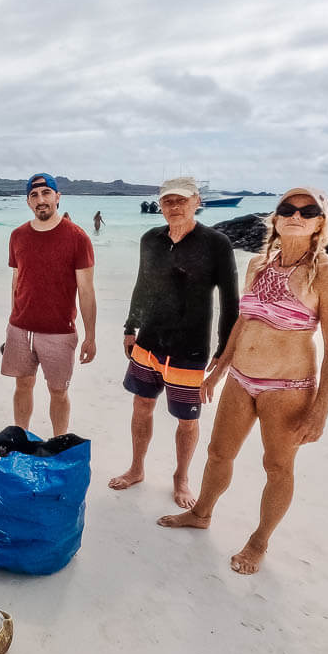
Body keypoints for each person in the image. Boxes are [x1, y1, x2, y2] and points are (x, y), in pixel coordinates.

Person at [158, 188, 328, 574]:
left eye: (307, 211)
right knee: (218, 453)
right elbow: (244, 322)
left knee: (277, 466)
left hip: (288, 388)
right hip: (241, 380)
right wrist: (219, 369)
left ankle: (259, 540)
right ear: (276, 218)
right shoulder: (259, 264)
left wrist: (320, 410)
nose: (295, 216)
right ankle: (202, 512)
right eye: (287, 209)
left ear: (320, 223)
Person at [109, 177, 238, 507]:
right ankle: (137, 468)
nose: (175, 207)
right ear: (160, 204)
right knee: (142, 406)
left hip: (190, 347)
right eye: (168, 201)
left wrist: (223, 351)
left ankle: (181, 478)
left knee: (187, 419)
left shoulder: (216, 243)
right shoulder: (150, 239)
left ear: (197, 201)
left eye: (182, 200)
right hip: (149, 341)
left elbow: (230, 302)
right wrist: (130, 326)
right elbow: (142, 285)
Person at [1, 173, 96, 437]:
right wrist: (12, 321)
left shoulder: (78, 237)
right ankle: (20, 437)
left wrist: (90, 336)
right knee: (23, 384)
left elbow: (86, 291)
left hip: (59, 330)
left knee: (58, 391)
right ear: (28, 202)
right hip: (20, 329)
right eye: (34, 195)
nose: (41, 200)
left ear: (57, 197)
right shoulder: (18, 235)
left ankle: (58, 442)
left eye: (46, 193)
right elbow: (16, 282)